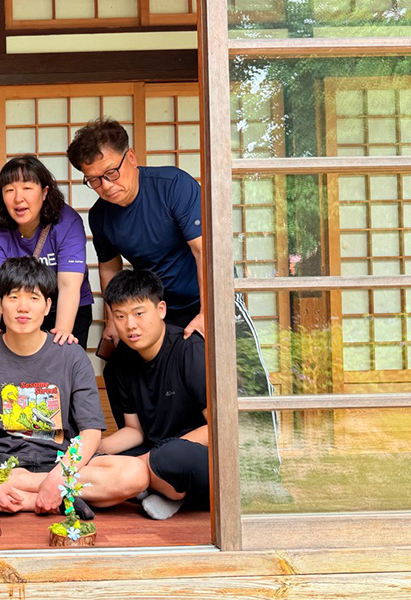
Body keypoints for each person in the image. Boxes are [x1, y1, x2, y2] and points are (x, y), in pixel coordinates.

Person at [69, 118, 289, 504]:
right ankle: (162, 471)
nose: (106, 186)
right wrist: (112, 322)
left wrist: (208, 311)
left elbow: (204, 251)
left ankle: (266, 476)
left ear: (131, 158)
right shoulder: (101, 215)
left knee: (243, 382)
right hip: (157, 310)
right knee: (135, 375)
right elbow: (109, 267)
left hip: (209, 297)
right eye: (94, 181)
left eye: (111, 173)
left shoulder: (173, 186)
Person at [0, 257, 148, 517]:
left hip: (59, 463)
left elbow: (90, 433)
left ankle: (24, 493)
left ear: (47, 306)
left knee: (134, 473)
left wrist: (58, 478)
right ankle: (56, 499)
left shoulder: (71, 355)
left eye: (33, 298)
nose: (23, 308)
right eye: (13, 297)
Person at [97, 269, 209, 520]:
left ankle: (161, 489)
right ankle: (163, 490)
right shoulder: (119, 364)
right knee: (103, 460)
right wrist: (97, 449)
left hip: (192, 456)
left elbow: (217, 428)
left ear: (161, 310)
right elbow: (134, 431)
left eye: (139, 313)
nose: (130, 325)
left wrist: (149, 459)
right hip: (153, 451)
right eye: (120, 316)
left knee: (171, 457)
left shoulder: (189, 350)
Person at [0, 155, 94, 349]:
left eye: (27, 188)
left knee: (63, 360)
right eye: (9, 190)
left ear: (45, 192)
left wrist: (62, 331)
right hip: (20, 311)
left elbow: (69, 285)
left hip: (66, 307)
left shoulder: (67, 222)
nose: (18, 198)